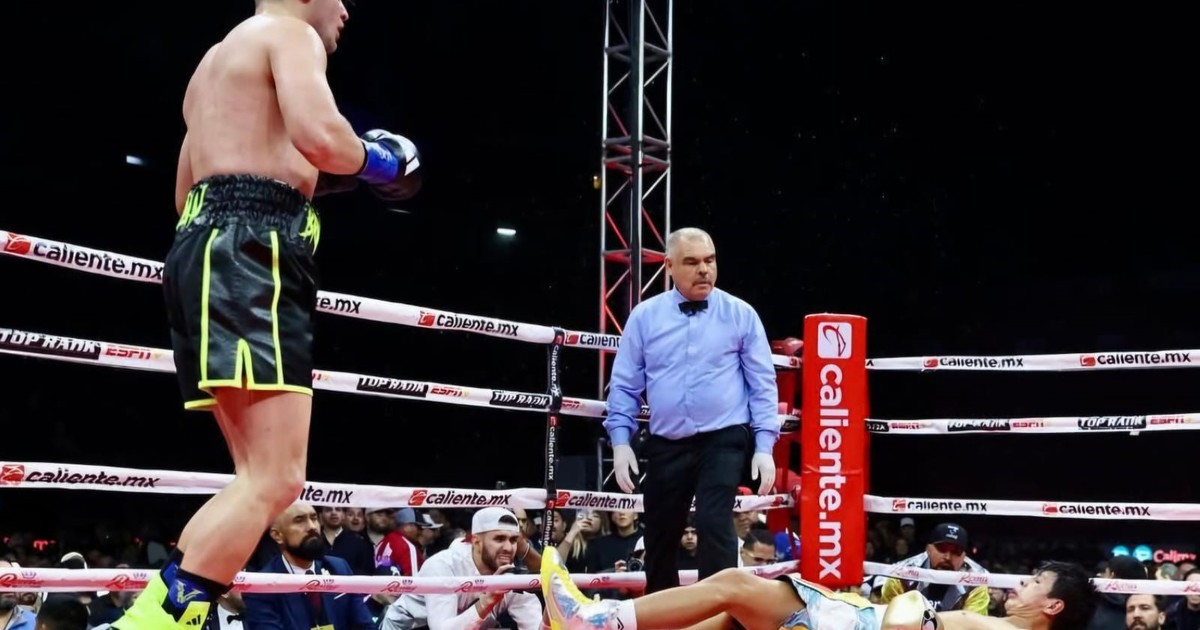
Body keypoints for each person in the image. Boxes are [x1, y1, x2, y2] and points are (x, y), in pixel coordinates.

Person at [115, 1, 422, 628]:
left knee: (255, 478)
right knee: (277, 481)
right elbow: (325, 137)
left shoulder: (213, 64)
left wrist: (310, 176)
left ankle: (163, 617)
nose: (346, 11)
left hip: (209, 249)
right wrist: (384, 160)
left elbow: (186, 192)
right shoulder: (289, 34)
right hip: (254, 252)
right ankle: (148, 623)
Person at [603, 227, 779, 593]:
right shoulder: (645, 317)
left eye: (710, 260)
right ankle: (664, 614)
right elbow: (624, 384)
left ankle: (718, 613)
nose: (704, 269)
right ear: (669, 266)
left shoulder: (740, 314)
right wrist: (620, 442)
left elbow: (763, 384)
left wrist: (765, 446)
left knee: (714, 524)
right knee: (660, 533)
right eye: (692, 262)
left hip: (723, 437)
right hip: (666, 440)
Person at [540, 546, 1096, 630]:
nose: (1019, 584)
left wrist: (911, 606)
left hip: (854, 626)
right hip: (855, 619)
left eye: (1034, 583)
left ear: (1053, 604)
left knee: (734, 586)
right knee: (731, 616)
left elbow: (907, 628)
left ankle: (598, 620)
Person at [379, 508, 544, 630]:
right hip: (411, 626)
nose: (508, 548)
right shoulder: (443, 565)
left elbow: (532, 621)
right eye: (499, 539)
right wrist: (488, 600)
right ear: (476, 541)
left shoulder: (509, 574)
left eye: (513, 540)